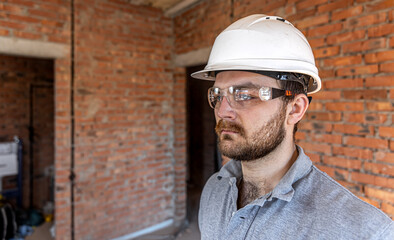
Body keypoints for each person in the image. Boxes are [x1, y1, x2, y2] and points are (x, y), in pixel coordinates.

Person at [191, 14, 394, 240]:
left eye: (245, 95)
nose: (222, 111)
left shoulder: (363, 231)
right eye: (218, 95)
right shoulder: (214, 190)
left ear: (295, 109)